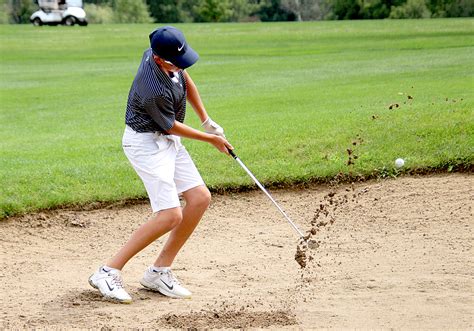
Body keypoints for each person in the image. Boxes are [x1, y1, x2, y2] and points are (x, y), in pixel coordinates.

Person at [89, 26, 233, 303]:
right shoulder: (152, 87)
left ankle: (158, 272)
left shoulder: (163, 54)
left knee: (200, 198)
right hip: (146, 145)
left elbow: (184, 76)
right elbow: (169, 126)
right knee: (170, 215)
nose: (181, 65)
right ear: (158, 59)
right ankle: (107, 272)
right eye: (175, 62)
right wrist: (210, 139)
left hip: (165, 140)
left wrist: (206, 119)